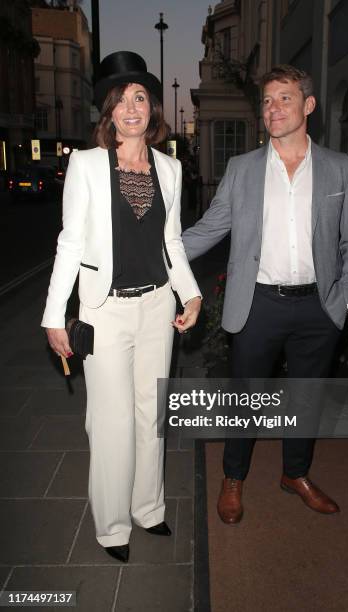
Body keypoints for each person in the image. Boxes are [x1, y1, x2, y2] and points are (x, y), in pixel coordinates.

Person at [182, 65, 348, 524]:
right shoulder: (242, 169)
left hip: (319, 306)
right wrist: (155, 255)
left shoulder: (339, 168)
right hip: (258, 304)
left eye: (284, 98)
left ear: (308, 105)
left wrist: (343, 302)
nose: (273, 108)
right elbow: (211, 227)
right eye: (267, 101)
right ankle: (233, 478)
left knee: (306, 398)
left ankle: (296, 474)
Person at [41, 51, 201, 562]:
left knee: (151, 415)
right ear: (108, 111)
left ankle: (148, 508)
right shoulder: (85, 165)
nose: (132, 108)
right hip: (104, 312)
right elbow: (69, 242)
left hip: (156, 309)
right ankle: (112, 527)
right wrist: (52, 315)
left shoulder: (170, 169)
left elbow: (171, 241)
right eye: (121, 100)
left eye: (140, 98)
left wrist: (190, 291)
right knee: (110, 422)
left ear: (151, 109)